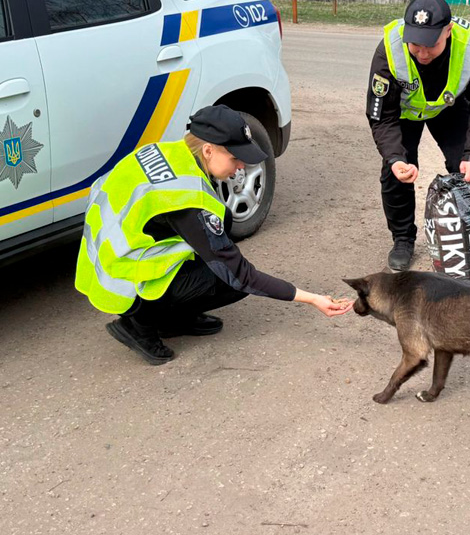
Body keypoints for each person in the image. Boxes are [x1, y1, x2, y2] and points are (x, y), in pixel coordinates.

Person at [75, 105, 351, 365]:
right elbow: (241, 275)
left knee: (221, 227)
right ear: (208, 150)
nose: (241, 166)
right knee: (230, 282)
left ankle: (172, 318)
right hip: (120, 275)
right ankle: (139, 325)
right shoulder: (186, 201)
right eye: (235, 158)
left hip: (108, 249)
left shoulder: (170, 151)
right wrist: (312, 298)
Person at [366, 0, 470, 271]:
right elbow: (381, 115)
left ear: (448, 31)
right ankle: (403, 239)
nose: (422, 53)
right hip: (404, 112)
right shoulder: (389, 48)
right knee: (396, 173)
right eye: (415, 44)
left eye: (431, 45)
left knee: (464, 167)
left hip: (449, 107)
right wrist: (395, 158)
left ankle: (459, 234)